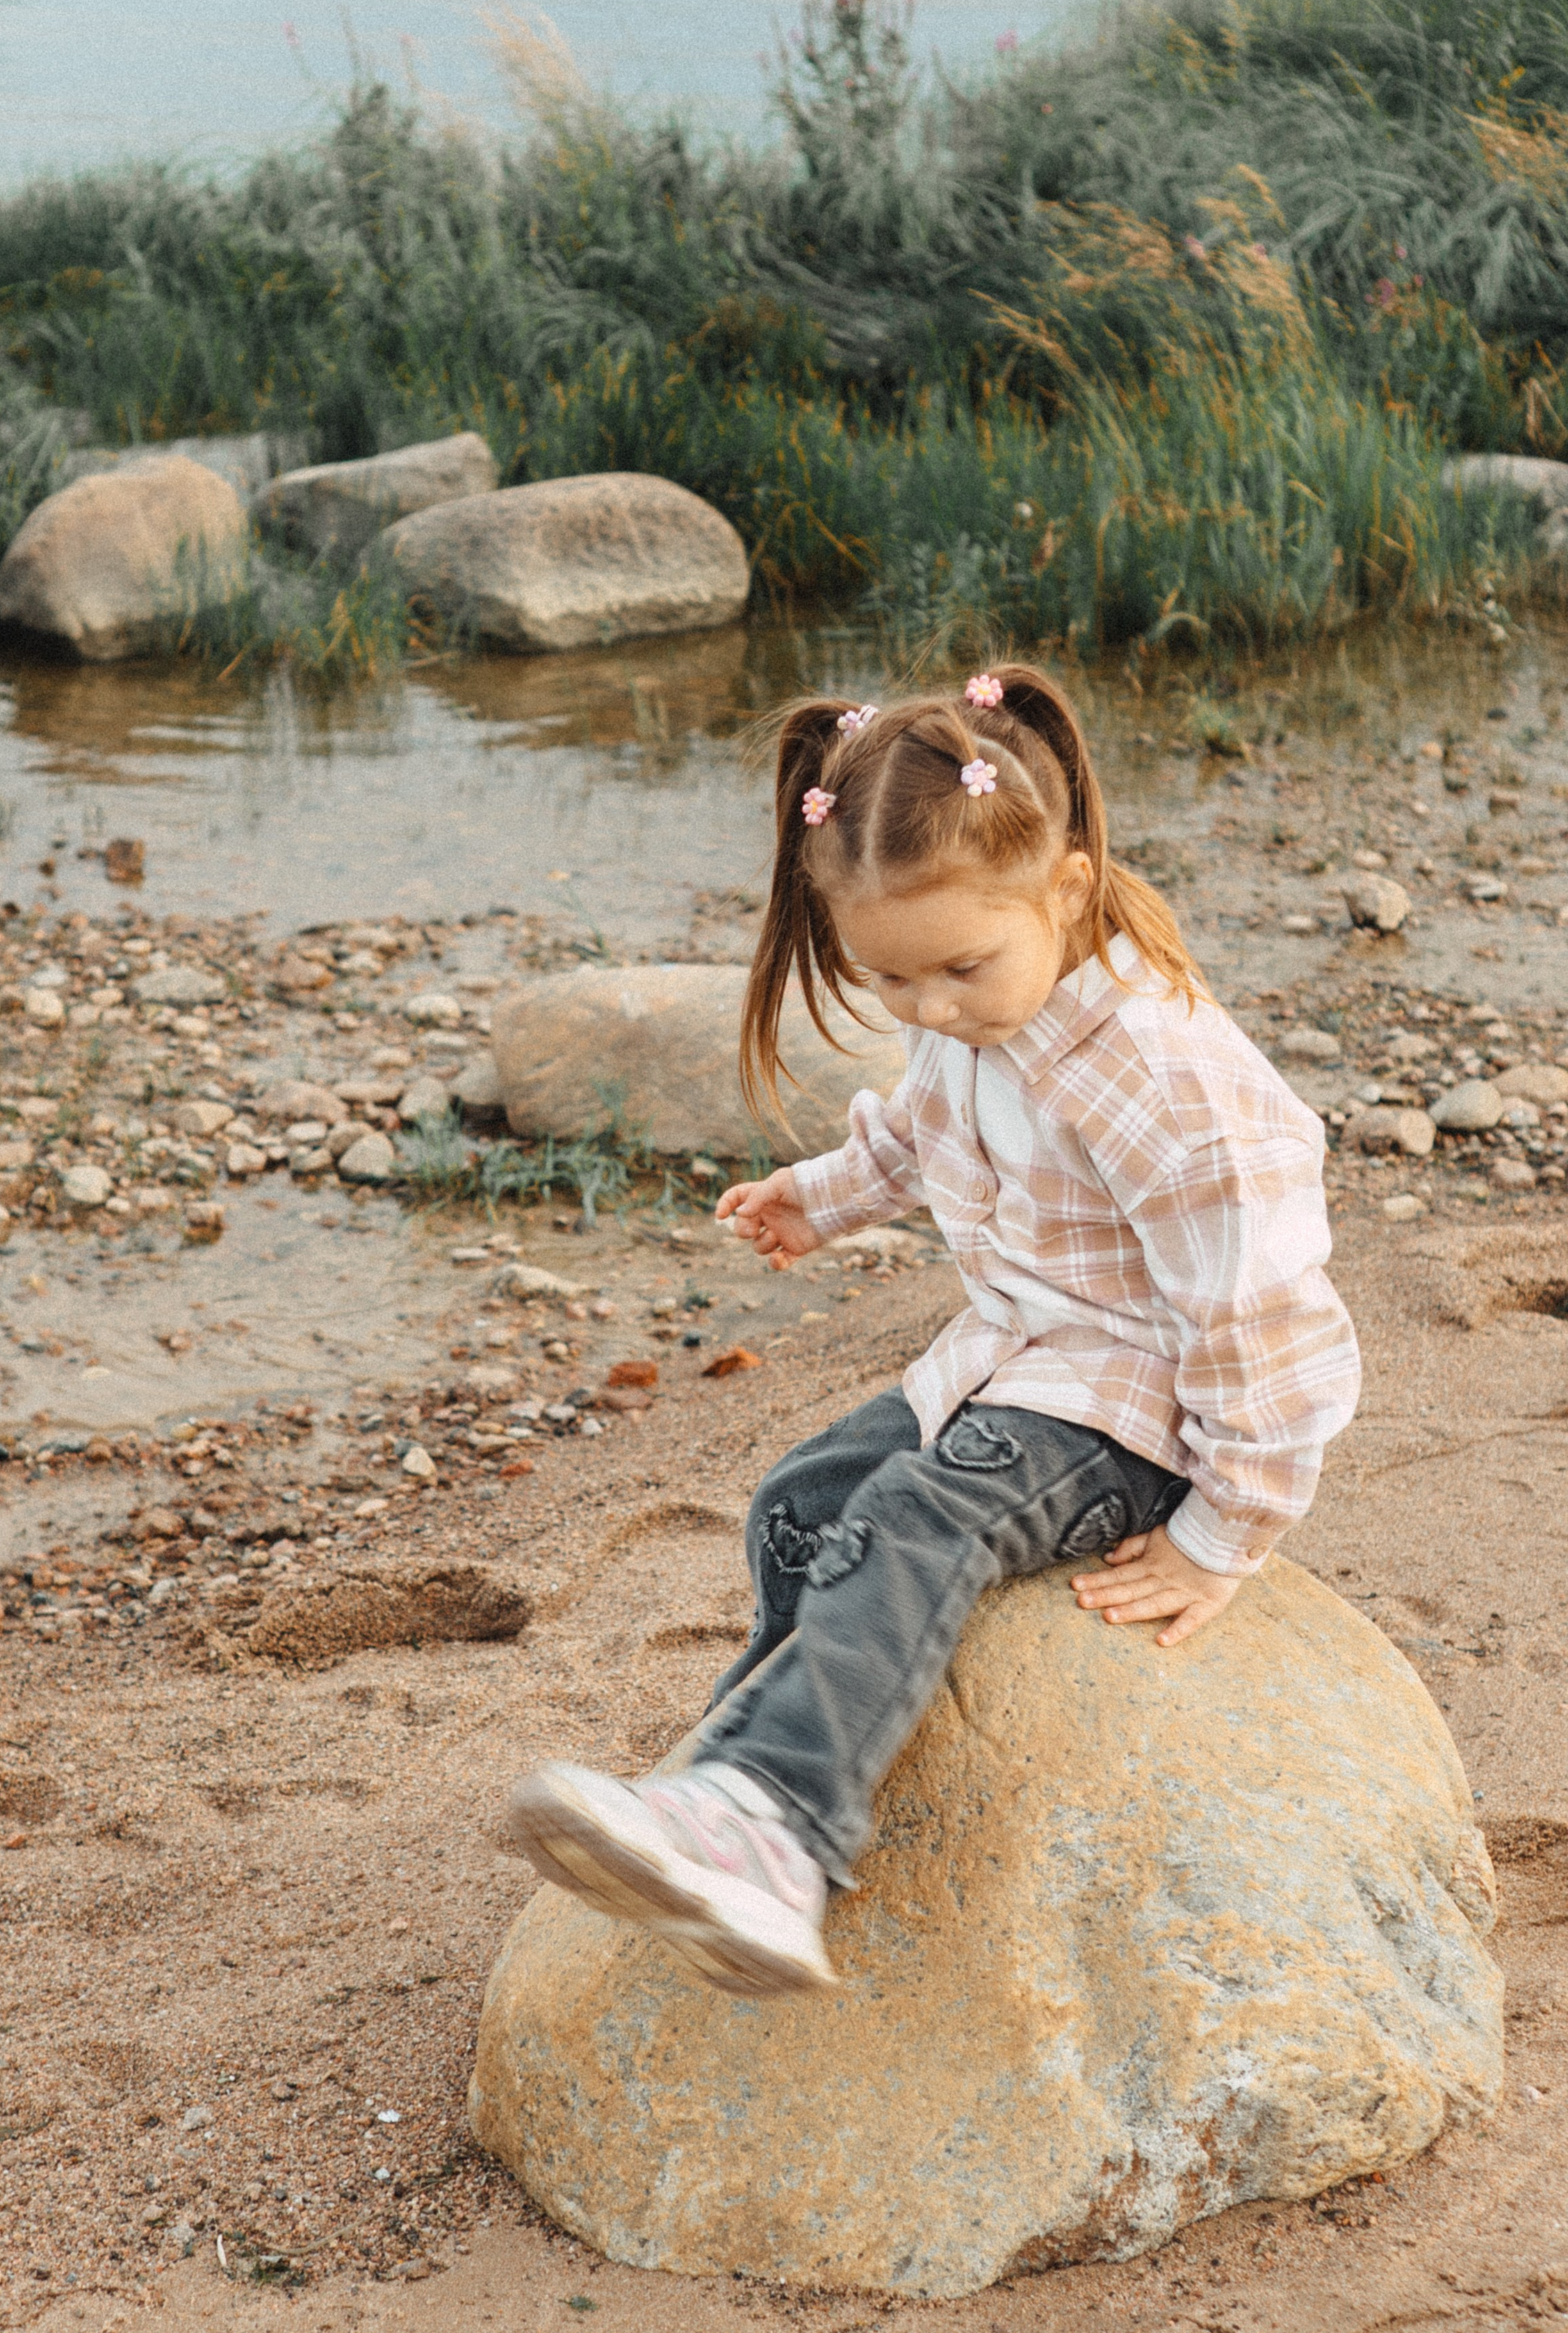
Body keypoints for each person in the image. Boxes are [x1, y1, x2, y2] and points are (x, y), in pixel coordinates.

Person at [508, 666, 1360, 1999]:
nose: (932, 1009)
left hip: (1139, 1412)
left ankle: (780, 1825)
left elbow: (1264, 1316)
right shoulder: (976, 1002)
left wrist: (1224, 1538)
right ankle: (742, 1767)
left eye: (960, 969)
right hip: (1013, 1364)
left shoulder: (1162, 1080)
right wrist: (822, 1198)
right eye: (888, 979)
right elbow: (923, 1125)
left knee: (917, 1522)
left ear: (1068, 889)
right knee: (801, 1502)